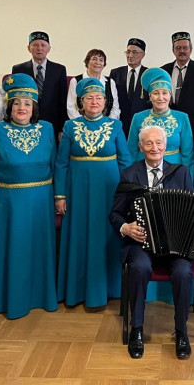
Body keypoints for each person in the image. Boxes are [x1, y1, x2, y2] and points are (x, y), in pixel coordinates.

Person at [109, 125, 194, 360]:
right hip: (141, 243)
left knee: (183, 271)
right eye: (149, 143)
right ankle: (137, 329)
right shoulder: (129, 175)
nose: (155, 148)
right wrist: (126, 228)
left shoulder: (181, 173)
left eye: (159, 143)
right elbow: (115, 214)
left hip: (176, 246)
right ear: (140, 147)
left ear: (165, 146)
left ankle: (181, 331)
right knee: (139, 267)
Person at [0, 73, 58, 319]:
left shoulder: (47, 129)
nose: (21, 108)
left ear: (33, 107)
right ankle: (10, 299)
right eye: (16, 103)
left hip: (40, 203)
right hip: (8, 204)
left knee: (37, 251)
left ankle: (40, 297)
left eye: (26, 103)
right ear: (9, 107)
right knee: (13, 252)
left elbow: (55, 166)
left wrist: (58, 198)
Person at [55, 78, 131, 308]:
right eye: (89, 97)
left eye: (99, 97)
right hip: (77, 192)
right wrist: (60, 196)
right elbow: (61, 163)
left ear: (105, 101)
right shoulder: (70, 127)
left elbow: (125, 161)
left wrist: (128, 194)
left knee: (107, 235)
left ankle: (110, 288)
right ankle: (77, 290)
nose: (94, 101)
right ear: (81, 102)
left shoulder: (115, 126)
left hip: (109, 192)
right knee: (79, 235)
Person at [127, 68, 193, 173]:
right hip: (143, 170)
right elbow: (131, 151)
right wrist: (130, 176)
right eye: (156, 93)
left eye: (165, 93)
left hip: (174, 171)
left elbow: (187, 154)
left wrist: (186, 177)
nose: (161, 98)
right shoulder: (138, 117)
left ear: (170, 95)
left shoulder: (182, 118)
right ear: (150, 96)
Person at [12, 31, 68, 137]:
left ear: (49, 49)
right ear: (29, 48)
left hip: (53, 124)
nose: (39, 48)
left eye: (43, 45)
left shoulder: (59, 70)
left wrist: (61, 128)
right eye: (35, 45)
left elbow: (63, 100)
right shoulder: (18, 69)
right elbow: (14, 99)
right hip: (26, 123)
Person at [161, 32, 194, 137]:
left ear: (191, 49)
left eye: (185, 47)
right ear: (173, 50)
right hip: (168, 123)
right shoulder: (164, 70)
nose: (182, 51)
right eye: (178, 48)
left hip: (193, 124)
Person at [110, 38, 149, 136]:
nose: (130, 55)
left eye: (134, 52)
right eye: (128, 52)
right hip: (120, 123)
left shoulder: (148, 74)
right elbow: (111, 99)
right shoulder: (116, 73)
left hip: (142, 124)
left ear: (143, 55)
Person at [67, 49, 121, 120]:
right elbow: (70, 107)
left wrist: (107, 122)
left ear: (104, 64)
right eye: (94, 59)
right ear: (87, 62)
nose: (98, 62)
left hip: (106, 123)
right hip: (81, 123)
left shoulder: (110, 82)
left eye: (101, 60)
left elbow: (115, 108)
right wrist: (81, 123)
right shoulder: (76, 81)